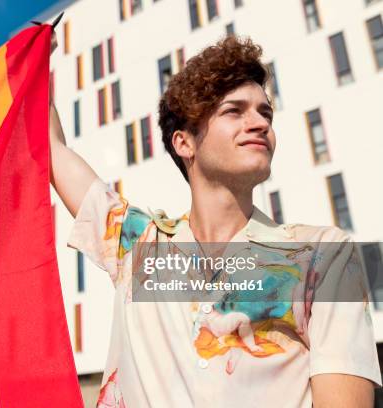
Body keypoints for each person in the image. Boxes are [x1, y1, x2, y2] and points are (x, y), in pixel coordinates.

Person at [49, 35, 381, 407]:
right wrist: (33, 50)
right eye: (234, 111)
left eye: (265, 113)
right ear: (184, 143)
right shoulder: (137, 247)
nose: (259, 124)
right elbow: (53, 148)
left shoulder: (321, 256)